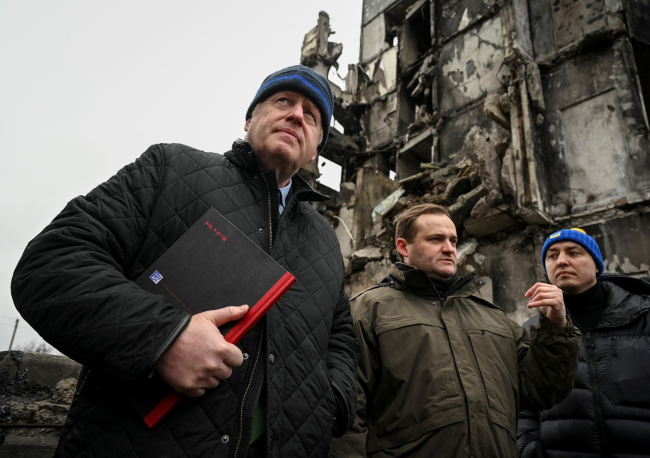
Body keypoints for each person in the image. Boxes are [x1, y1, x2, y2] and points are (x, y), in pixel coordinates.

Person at [11, 65, 357, 458]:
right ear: (249, 120)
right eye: (283, 101)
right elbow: (51, 263)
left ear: (315, 149)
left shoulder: (324, 238)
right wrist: (163, 338)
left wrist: (330, 404)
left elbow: (340, 336)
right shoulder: (171, 169)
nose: (296, 115)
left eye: (311, 115)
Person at [329, 204, 581, 458]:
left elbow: (542, 391)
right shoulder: (368, 311)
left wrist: (555, 328)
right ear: (403, 247)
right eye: (435, 239)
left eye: (453, 240)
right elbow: (347, 412)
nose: (449, 248)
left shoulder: (495, 318)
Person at [517, 228, 650, 457]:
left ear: (597, 265)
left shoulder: (643, 315)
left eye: (573, 252)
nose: (561, 261)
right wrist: (529, 450)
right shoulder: (531, 332)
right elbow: (524, 405)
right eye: (552, 256)